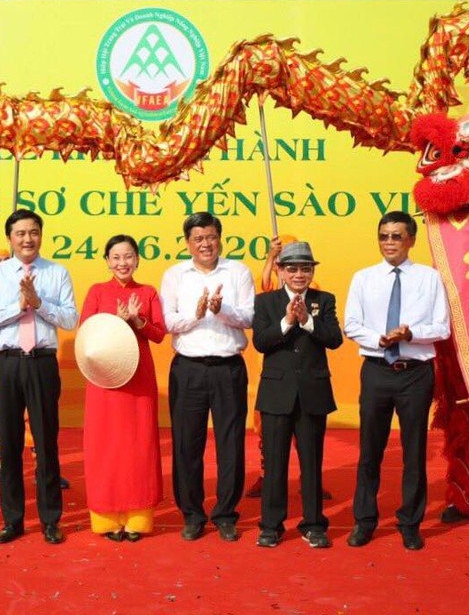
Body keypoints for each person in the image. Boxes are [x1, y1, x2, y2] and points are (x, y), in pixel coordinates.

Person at [343, 211, 450, 550]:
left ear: (411, 240)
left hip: (415, 373)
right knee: (369, 450)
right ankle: (364, 521)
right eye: (383, 236)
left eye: (396, 236)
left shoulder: (430, 278)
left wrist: (410, 334)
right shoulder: (363, 278)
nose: (389, 242)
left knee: (414, 451)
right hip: (377, 370)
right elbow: (351, 324)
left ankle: (410, 523)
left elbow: (442, 327)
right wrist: (380, 339)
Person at [0, 209, 78, 545]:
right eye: (20, 233)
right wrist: (18, 307)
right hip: (6, 363)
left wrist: (39, 303)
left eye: (33, 232)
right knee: (9, 443)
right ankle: (13, 519)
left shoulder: (57, 272)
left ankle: (50, 520)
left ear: (41, 235)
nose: (27, 239)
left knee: (46, 442)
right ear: (10, 238)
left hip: (42, 363)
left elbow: (70, 319)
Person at [160, 212, 255, 542]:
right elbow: (167, 322)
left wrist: (220, 310)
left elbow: (249, 317)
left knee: (231, 443)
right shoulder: (175, 275)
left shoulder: (238, 271)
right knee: (187, 445)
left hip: (228, 368)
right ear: (188, 243)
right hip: (188, 368)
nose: (205, 244)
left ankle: (226, 514)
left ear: (220, 239)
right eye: (198, 238)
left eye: (211, 237)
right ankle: (192, 514)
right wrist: (197, 314)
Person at [252, 242, 342, 549]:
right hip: (276, 393)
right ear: (280, 270)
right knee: (275, 464)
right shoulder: (266, 301)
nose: (299, 274)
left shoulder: (324, 300)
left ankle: (314, 524)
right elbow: (261, 342)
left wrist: (307, 321)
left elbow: (335, 339)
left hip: (313, 393)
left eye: (305, 268)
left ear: (312, 271)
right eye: (292, 269)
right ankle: (270, 526)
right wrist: (288, 322)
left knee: (311, 463)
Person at [80, 234, 165, 542]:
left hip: (139, 379)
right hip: (104, 380)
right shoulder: (97, 292)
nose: (122, 263)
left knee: (138, 445)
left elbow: (159, 334)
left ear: (137, 259)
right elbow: (86, 332)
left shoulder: (148, 292)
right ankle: (107, 519)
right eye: (115, 257)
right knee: (104, 446)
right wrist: (115, 322)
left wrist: (137, 321)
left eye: (128, 256)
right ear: (107, 261)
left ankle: (138, 519)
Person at [0, 249, 70, 490]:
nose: (2, 264)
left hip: (32, 361)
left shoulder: (41, 284)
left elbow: (65, 318)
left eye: (5, 260)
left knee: (35, 419)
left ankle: (41, 467)